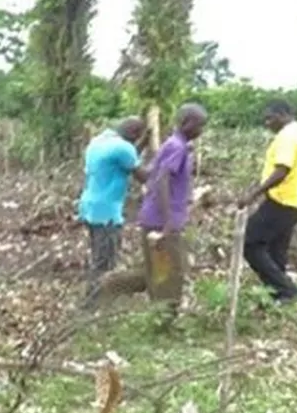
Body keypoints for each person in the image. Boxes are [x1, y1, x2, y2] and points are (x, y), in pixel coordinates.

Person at [99, 103, 207, 309]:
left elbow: (154, 172)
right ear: (186, 123)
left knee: (161, 269)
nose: (201, 131)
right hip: (162, 220)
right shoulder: (176, 147)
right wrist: (167, 222)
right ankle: (164, 317)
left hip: (159, 217)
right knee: (169, 272)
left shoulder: (174, 145)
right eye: (199, 126)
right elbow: (162, 181)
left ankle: (112, 284)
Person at [239, 99, 297, 304]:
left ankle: (287, 290)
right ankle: (276, 296)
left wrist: (253, 194)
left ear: (282, 115)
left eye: (269, 118)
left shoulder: (288, 137)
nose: (267, 123)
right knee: (275, 250)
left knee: (250, 243)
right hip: (296, 201)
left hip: (283, 200)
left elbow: (282, 170)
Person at [77, 117, 149, 300]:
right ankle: (93, 305)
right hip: (106, 212)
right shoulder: (124, 149)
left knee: (98, 257)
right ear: (134, 135)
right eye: (137, 137)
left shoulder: (100, 140)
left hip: (90, 207)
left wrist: (141, 145)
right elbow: (144, 177)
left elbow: (125, 160)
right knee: (105, 263)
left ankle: (93, 299)